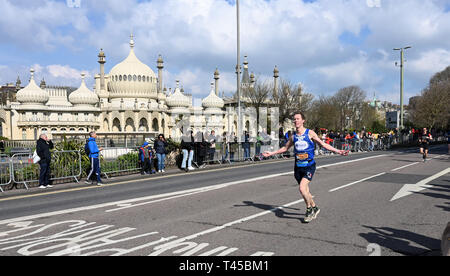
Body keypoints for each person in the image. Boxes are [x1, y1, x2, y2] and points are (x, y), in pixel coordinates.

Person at [263, 111, 348, 223]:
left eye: (298, 119)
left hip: (309, 166)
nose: (295, 121)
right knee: (305, 192)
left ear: (303, 120)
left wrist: (338, 151)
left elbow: (323, 144)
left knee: (302, 188)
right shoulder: (293, 137)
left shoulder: (310, 133)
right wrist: (271, 153)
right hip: (298, 167)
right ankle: (315, 207)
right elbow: (284, 148)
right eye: (294, 119)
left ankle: (308, 209)